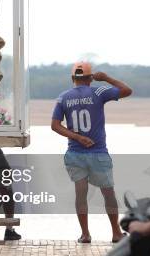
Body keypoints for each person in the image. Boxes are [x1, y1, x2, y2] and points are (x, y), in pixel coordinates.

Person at [51, 61, 133, 243]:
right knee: (108, 193)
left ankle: (85, 234)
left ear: (73, 78)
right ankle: (116, 233)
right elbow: (127, 90)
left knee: (80, 194)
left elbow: (54, 125)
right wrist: (106, 78)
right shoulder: (98, 91)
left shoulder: (63, 97)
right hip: (98, 152)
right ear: (90, 78)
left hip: (74, 153)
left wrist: (77, 137)